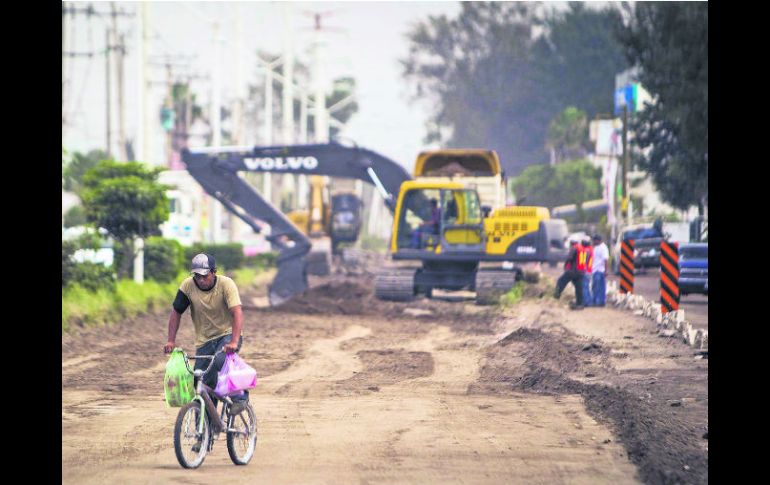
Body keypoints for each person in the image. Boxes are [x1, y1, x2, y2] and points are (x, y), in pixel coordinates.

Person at [163, 253, 249, 419]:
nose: (201, 280)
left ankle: (241, 396)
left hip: (227, 336)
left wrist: (234, 341)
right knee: (200, 384)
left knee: (219, 362)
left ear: (213, 272)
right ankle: (203, 433)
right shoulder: (188, 286)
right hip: (204, 340)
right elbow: (176, 312)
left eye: (204, 276)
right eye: (197, 276)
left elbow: (237, 312)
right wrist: (171, 340)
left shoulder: (226, 284)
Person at [554, 239, 584, 309]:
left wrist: (565, 264)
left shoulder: (574, 248)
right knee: (579, 288)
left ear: (571, 243)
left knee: (560, 281)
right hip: (580, 271)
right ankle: (580, 304)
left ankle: (556, 296)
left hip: (572, 271)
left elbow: (570, 258)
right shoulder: (581, 248)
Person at [591, 234, 609, 307]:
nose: (593, 242)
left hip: (599, 270)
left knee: (597, 287)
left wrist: (606, 270)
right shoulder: (596, 247)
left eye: (594, 241)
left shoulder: (603, 248)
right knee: (598, 287)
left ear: (597, 240)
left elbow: (606, 260)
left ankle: (598, 302)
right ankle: (599, 302)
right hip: (595, 270)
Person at [580, 239, 594, 306]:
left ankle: (586, 302)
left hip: (585, 271)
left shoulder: (585, 251)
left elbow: (583, 261)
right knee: (587, 287)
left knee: (584, 287)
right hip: (589, 270)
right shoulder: (591, 250)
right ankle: (589, 301)